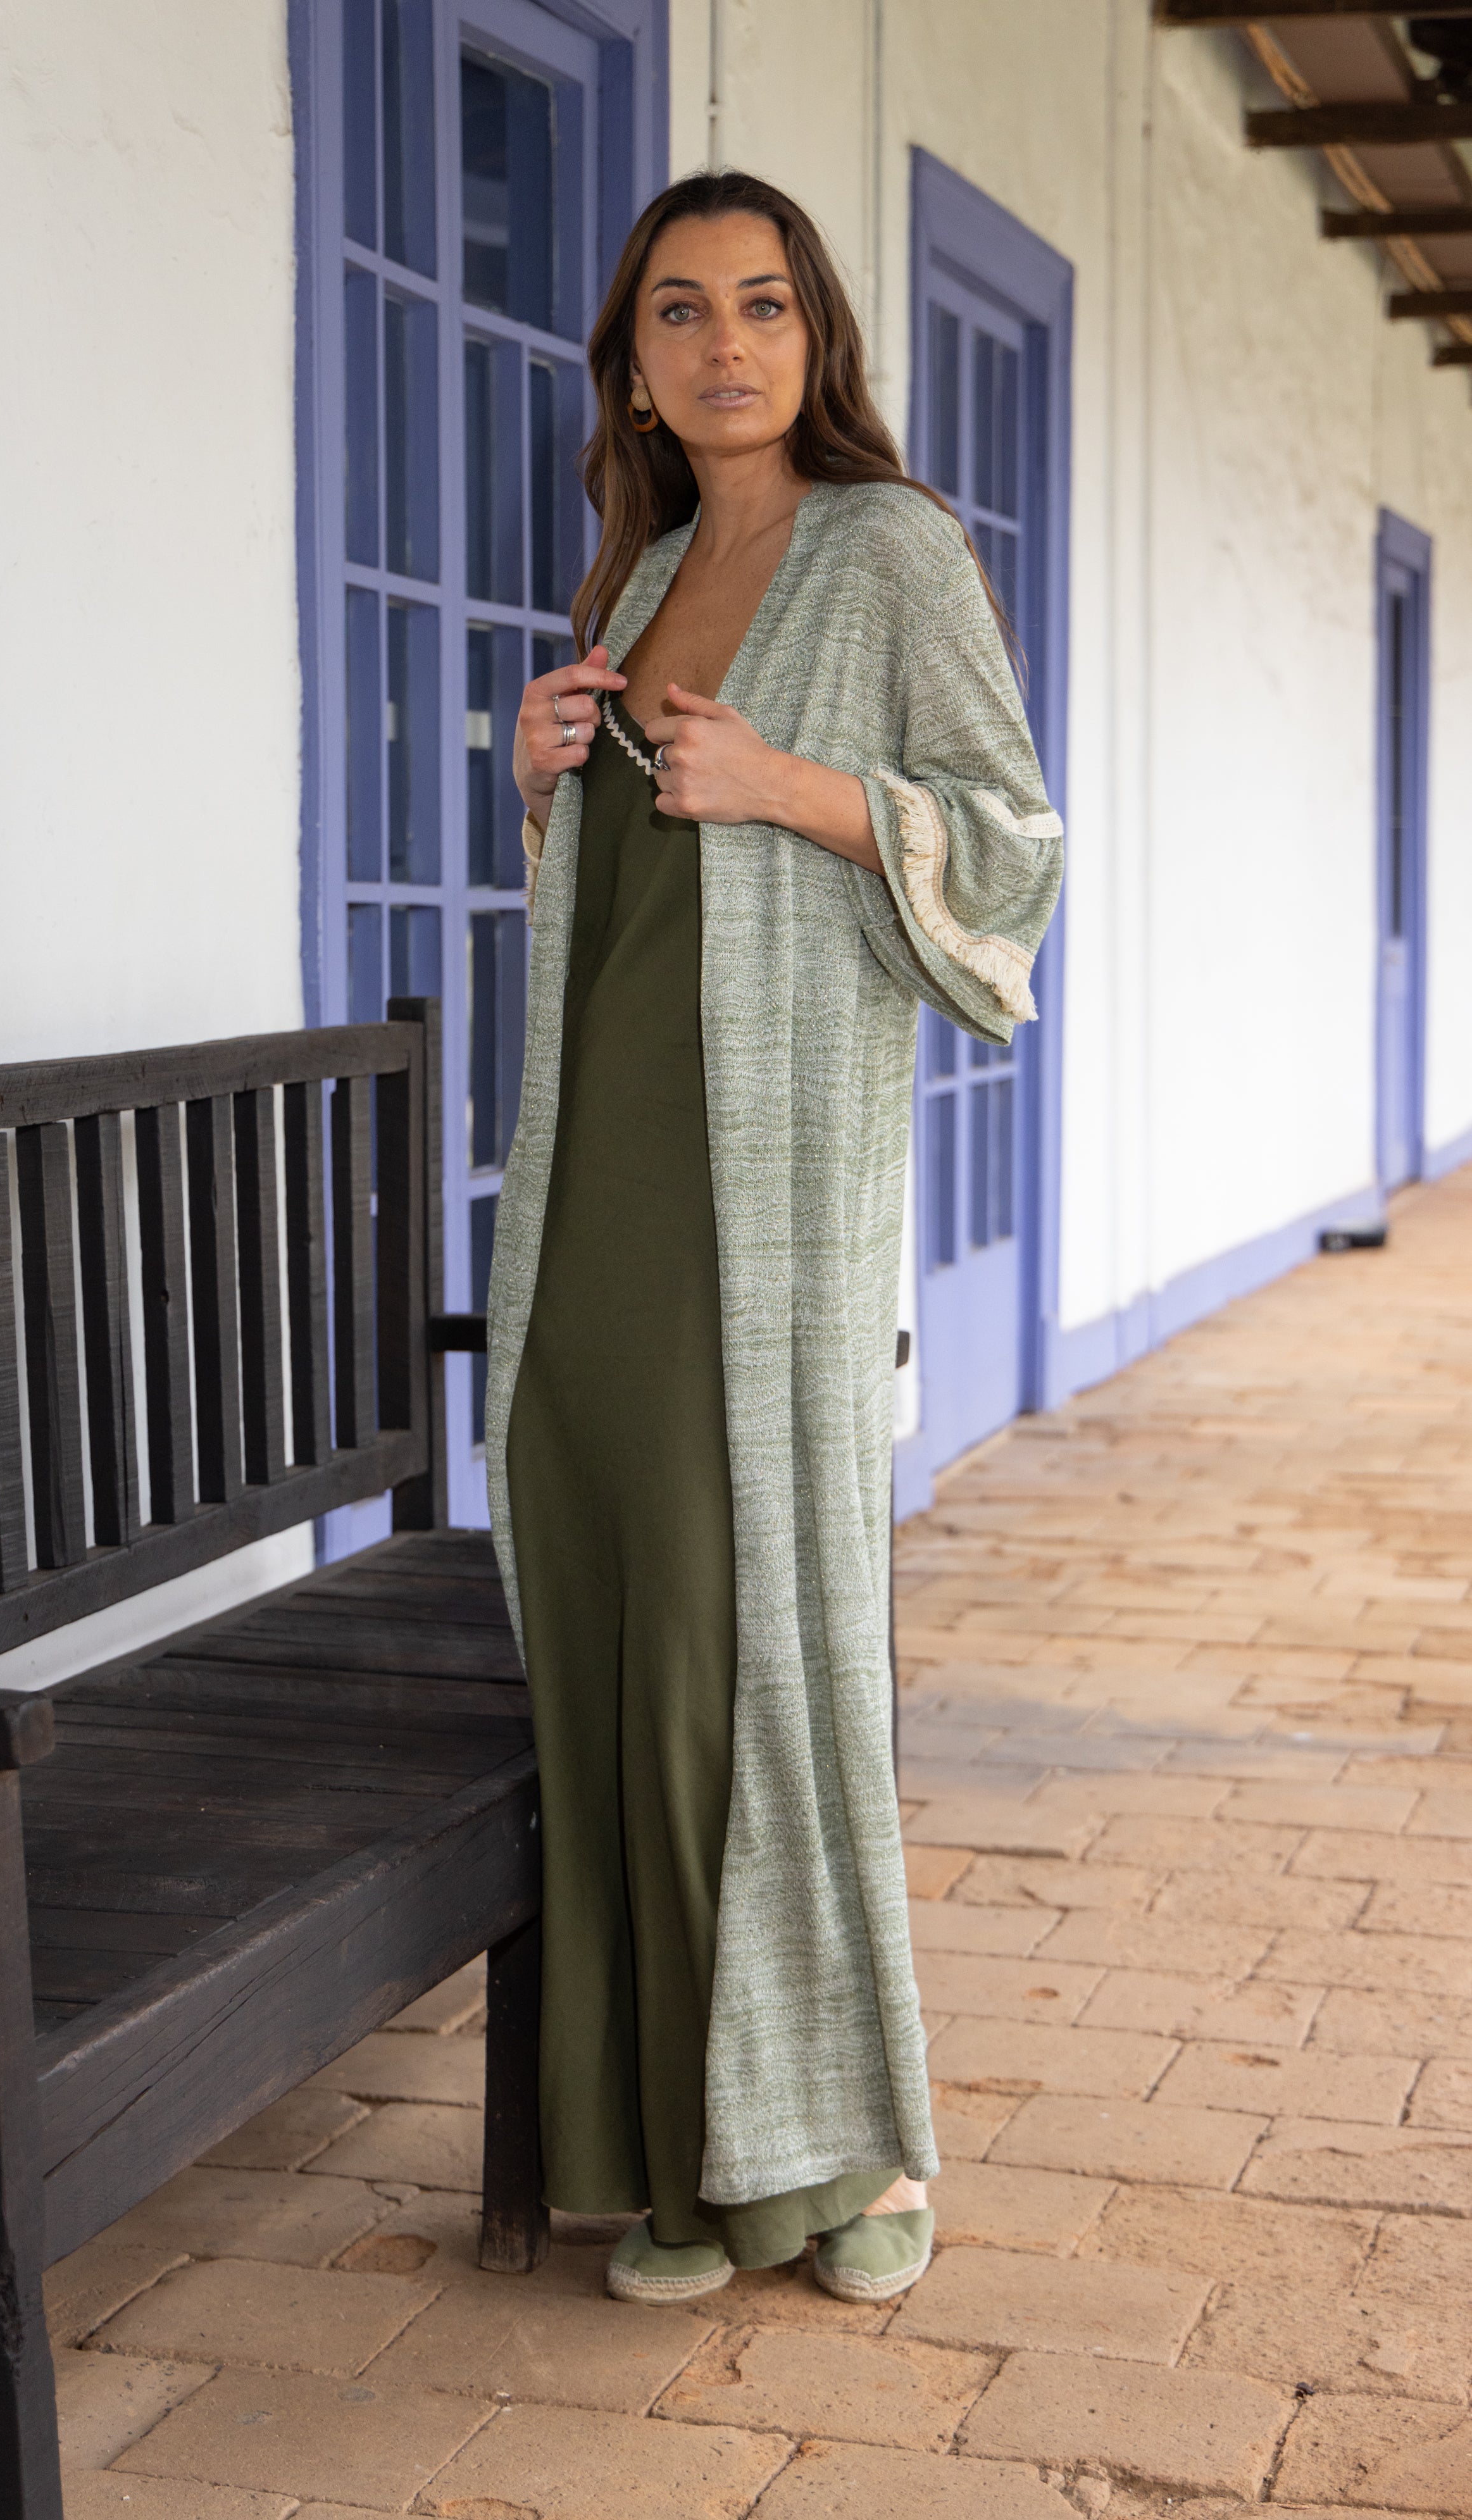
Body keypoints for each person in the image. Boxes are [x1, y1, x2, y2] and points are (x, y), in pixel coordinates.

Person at [486, 169, 1062, 2308]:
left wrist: (796, 788)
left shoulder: (888, 548)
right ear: (632, 363)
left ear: (813, 337)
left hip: (769, 1201)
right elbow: (627, 903)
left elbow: (1012, 851)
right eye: (677, 311)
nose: (722, 344)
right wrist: (537, 777)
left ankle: (848, 2159)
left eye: (760, 304)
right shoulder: (635, 572)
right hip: (593, 1196)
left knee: (762, 1662)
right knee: (626, 1660)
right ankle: (680, 2164)